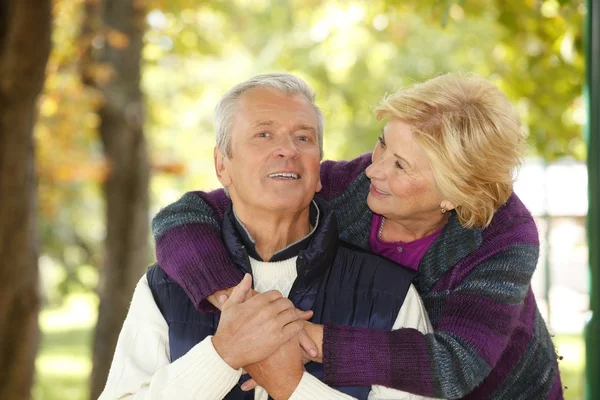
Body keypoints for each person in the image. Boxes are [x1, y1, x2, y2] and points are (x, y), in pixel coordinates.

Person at [152, 72, 564, 399]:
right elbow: (183, 216)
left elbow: (456, 365)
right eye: (381, 146)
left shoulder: (503, 236)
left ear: (455, 193)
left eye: (400, 166)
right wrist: (235, 303)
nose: (374, 169)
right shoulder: (349, 188)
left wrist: (300, 337)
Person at [99, 73, 434, 400]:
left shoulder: (389, 292)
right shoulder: (165, 287)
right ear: (222, 165)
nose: (287, 150)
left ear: (319, 171)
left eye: (303, 138)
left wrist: (292, 387)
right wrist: (222, 356)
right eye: (263, 134)